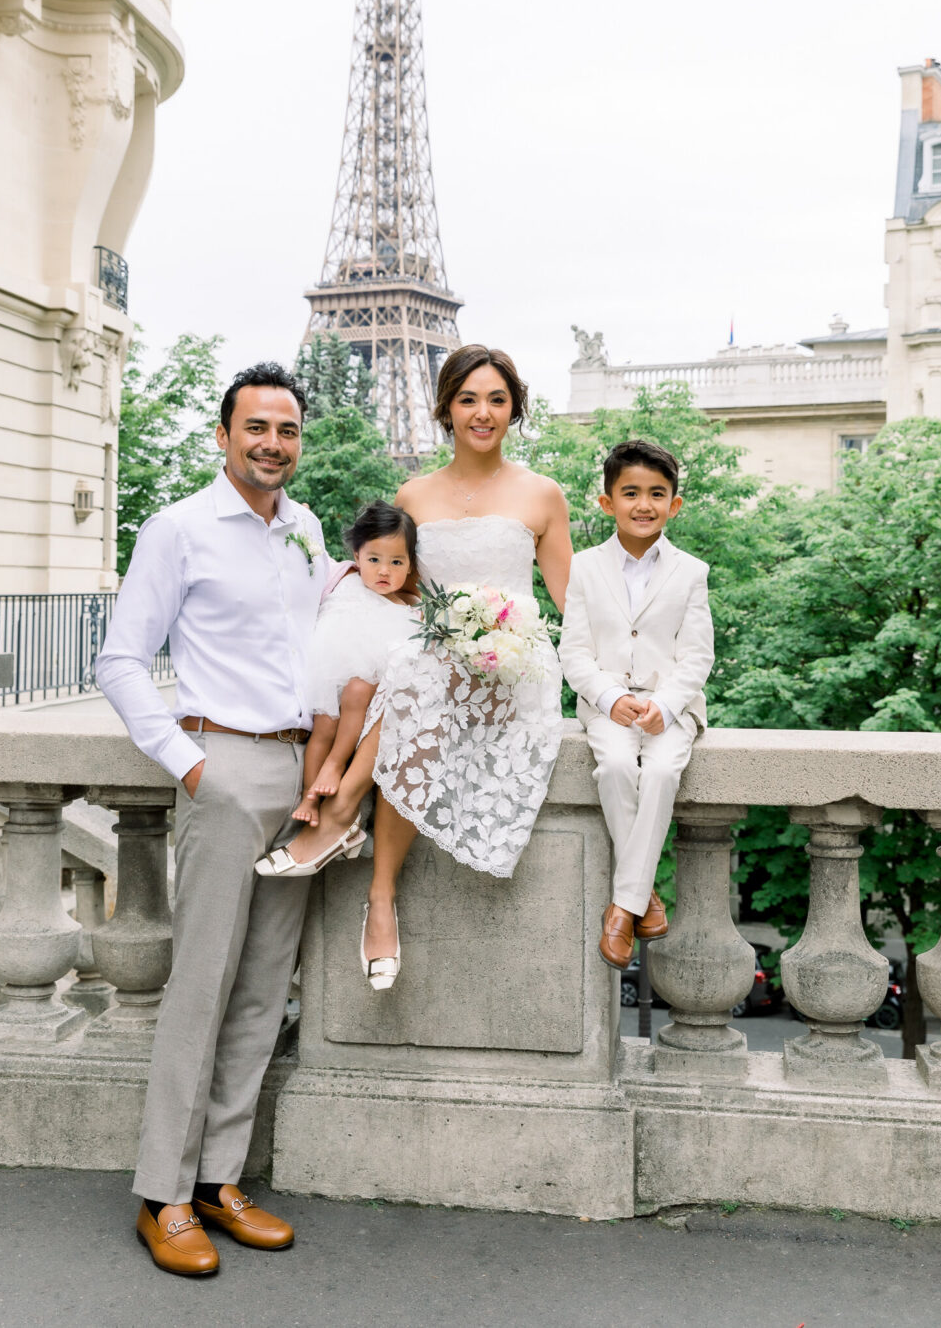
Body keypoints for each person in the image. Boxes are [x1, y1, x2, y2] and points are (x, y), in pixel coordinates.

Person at [95, 362, 329, 1279]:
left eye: (288, 429)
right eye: (258, 427)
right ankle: (162, 1194)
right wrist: (190, 765)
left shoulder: (306, 533)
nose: (274, 443)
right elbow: (119, 658)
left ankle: (218, 1181)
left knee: (266, 987)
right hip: (222, 764)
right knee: (202, 985)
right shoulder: (180, 529)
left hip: (301, 773)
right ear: (225, 436)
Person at [266, 344, 573, 990]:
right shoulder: (414, 492)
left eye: (496, 399)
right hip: (434, 661)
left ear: (515, 407)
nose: (482, 413)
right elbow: (397, 589)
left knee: (413, 674)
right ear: (445, 408)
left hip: (512, 669)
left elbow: (572, 603)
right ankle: (381, 902)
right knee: (411, 667)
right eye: (468, 399)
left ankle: (340, 813)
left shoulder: (542, 494)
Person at [559, 439, 714, 970]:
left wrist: (666, 706)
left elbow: (697, 656)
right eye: (630, 493)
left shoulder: (692, 571)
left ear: (674, 504)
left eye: (656, 494)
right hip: (605, 704)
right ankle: (642, 896)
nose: (643, 504)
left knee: (665, 769)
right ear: (607, 503)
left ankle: (622, 907)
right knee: (619, 766)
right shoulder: (583, 567)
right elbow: (573, 651)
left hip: (671, 706)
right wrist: (609, 697)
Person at [255, 501, 418, 882]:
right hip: (327, 675)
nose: (384, 571)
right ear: (357, 556)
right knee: (323, 727)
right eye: (374, 559)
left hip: (363, 688)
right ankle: (311, 800)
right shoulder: (343, 579)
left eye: (397, 562)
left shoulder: (409, 610)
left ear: (410, 565)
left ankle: (333, 770)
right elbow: (308, 557)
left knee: (359, 693)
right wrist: (296, 515)